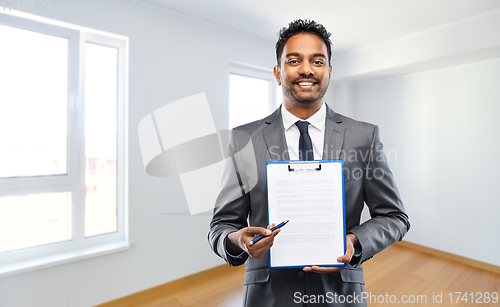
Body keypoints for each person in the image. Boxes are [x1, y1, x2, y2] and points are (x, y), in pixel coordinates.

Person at [208, 19, 410, 307]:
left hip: (341, 293)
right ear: (278, 73)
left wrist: (354, 242)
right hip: (268, 295)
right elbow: (221, 225)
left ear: (328, 72)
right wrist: (238, 240)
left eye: (317, 61)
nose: (306, 69)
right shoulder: (244, 139)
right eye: (294, 60)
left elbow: (394, 217)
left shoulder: (364, 136)